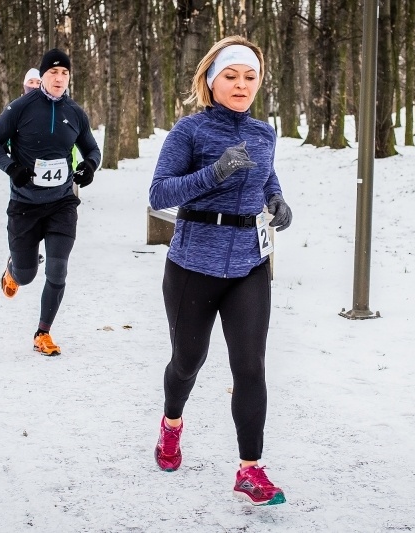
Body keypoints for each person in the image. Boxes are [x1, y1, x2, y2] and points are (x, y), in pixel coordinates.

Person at [148, 36, 293, 506]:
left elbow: (265, 176)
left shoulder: (263, 133)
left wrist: (277, 199)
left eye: (250, 77)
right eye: (231, 76)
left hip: (250, 263)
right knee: (188, 363)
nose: (241, 85)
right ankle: (172, 423)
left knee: (250, 367)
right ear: (212, 82)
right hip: (193, 264)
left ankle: (250, 470)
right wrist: (214, 174)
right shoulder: (188, 133)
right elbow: (159, 195)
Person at [0, 49, 101, 356]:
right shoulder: (21, 108)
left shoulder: (75, 113)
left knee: (58, 269)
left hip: (61, 203)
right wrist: (12, 168)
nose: (59, 79)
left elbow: (92, 150)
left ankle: (43, 332)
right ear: (43, 75)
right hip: (24, 204)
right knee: (27, 275)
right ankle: (13, 270)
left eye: (64, 74)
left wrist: (88, 168)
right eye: (53, 73)